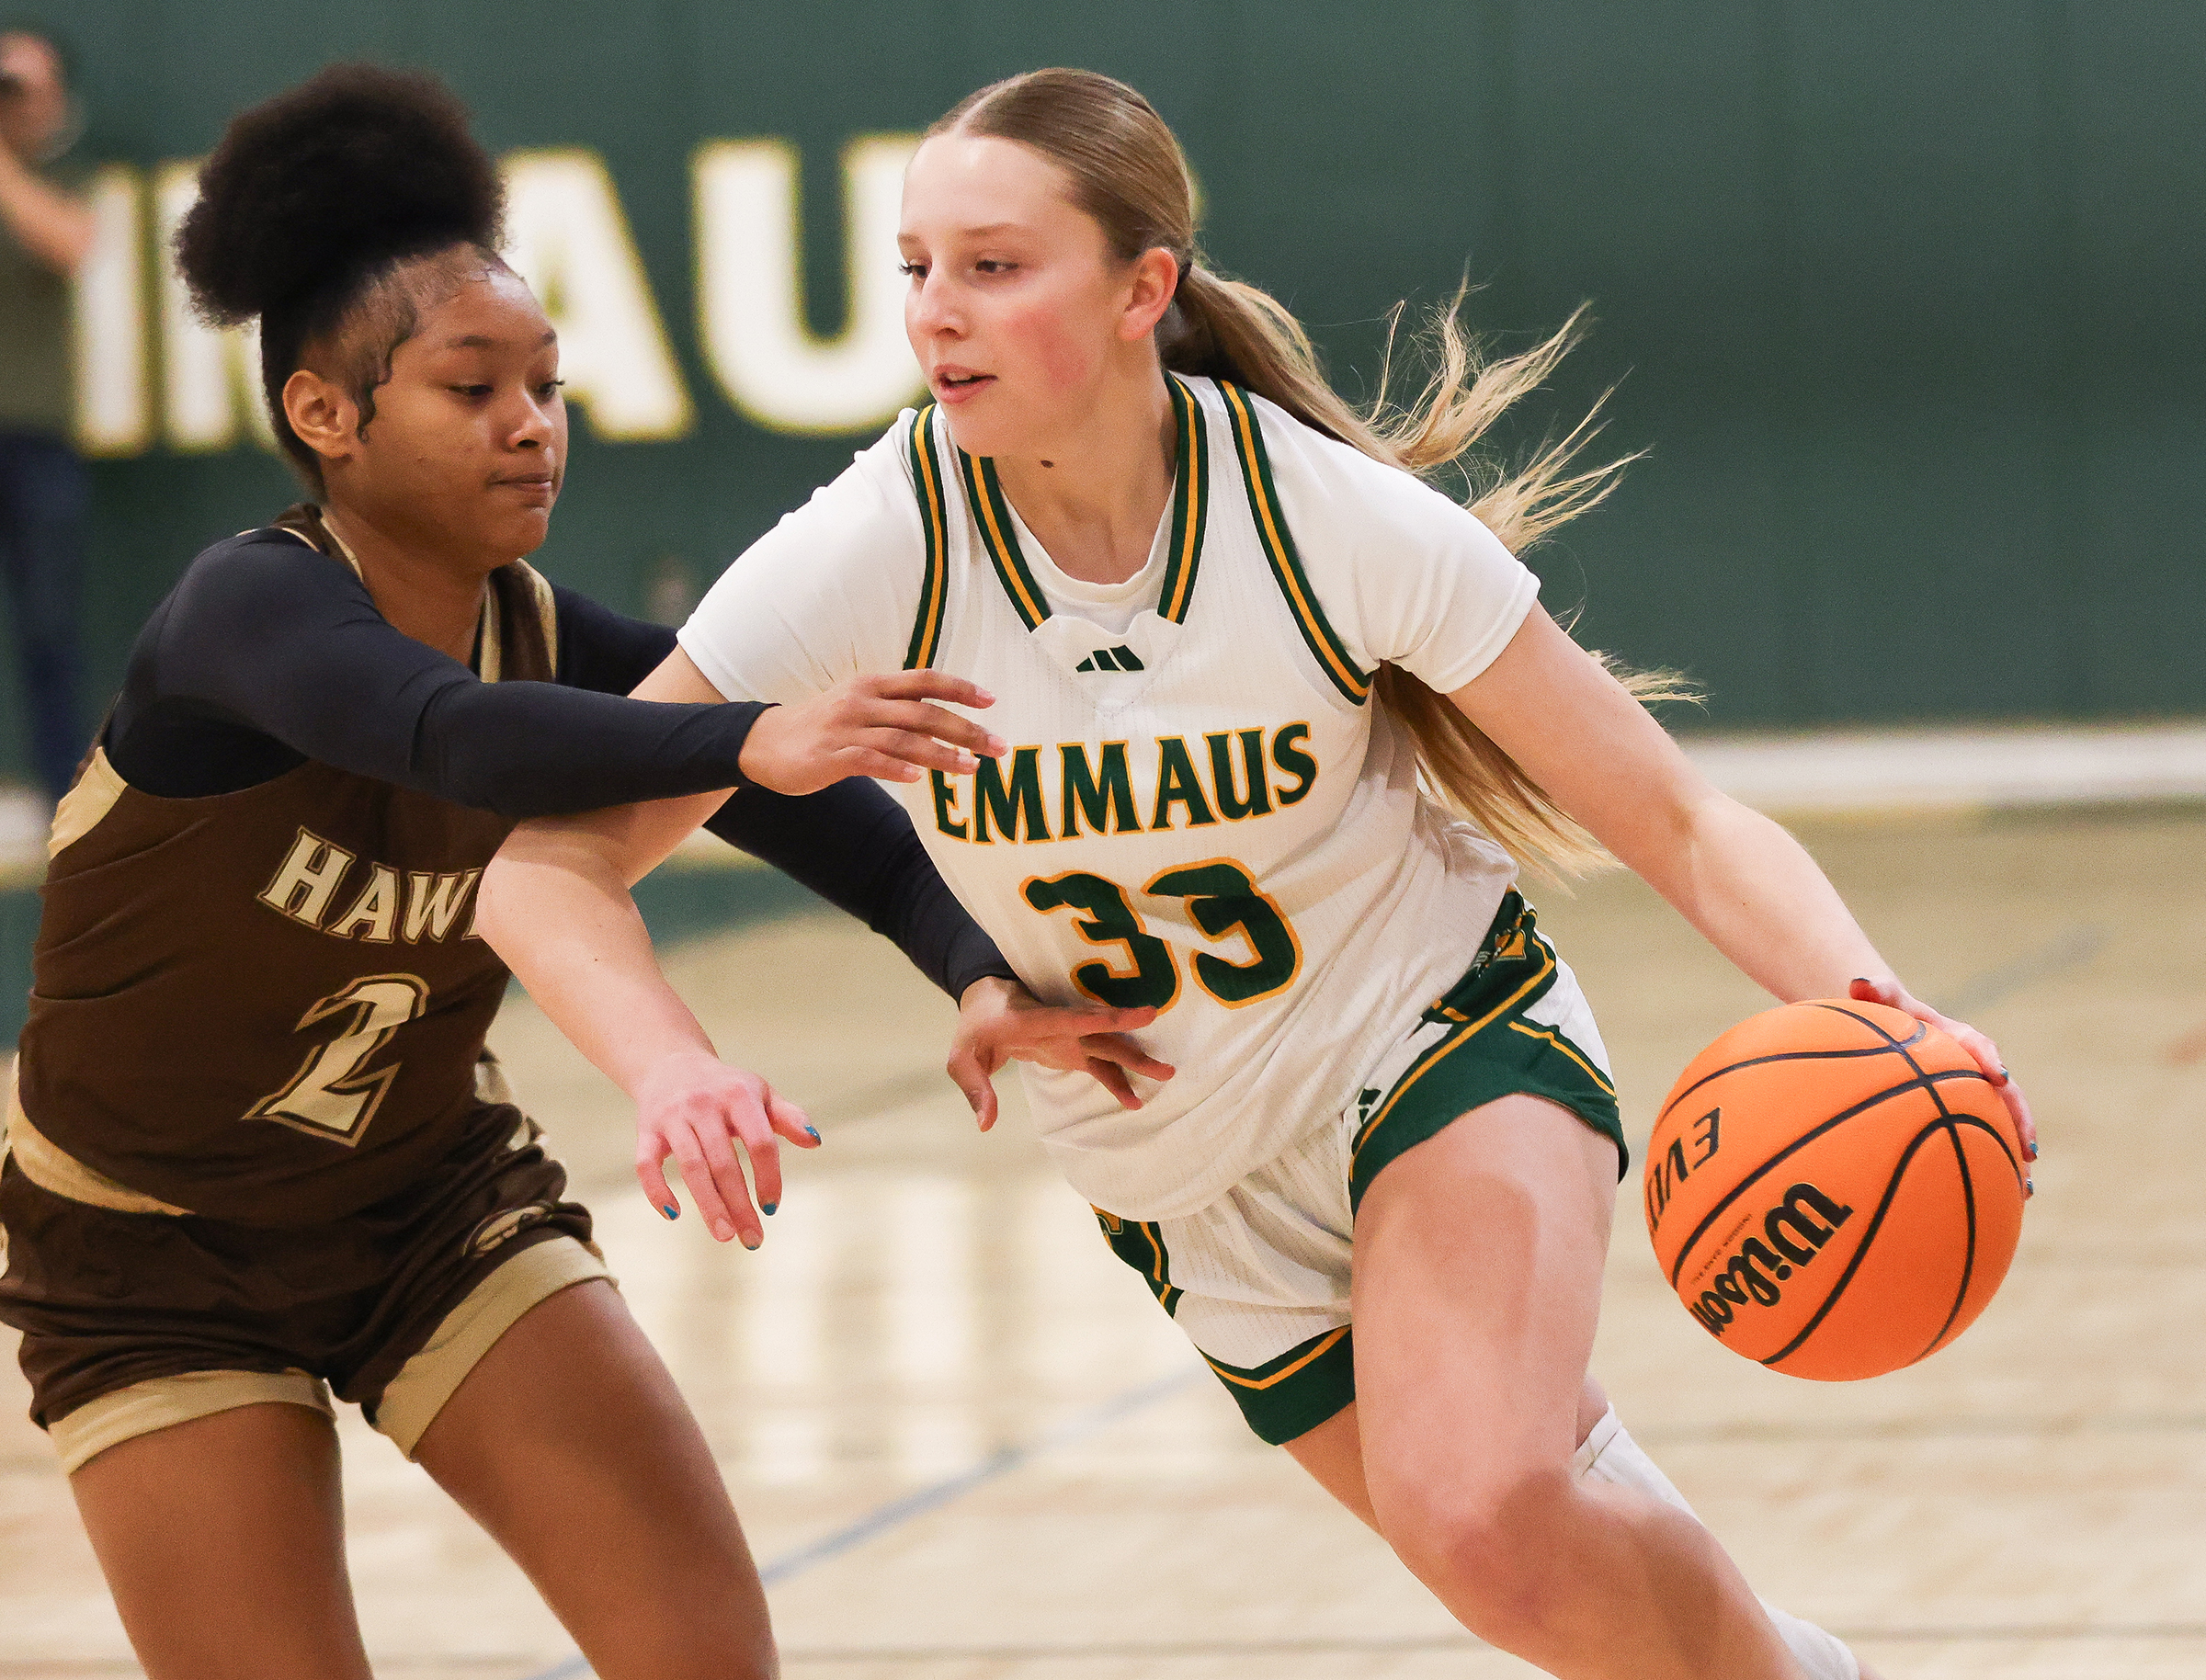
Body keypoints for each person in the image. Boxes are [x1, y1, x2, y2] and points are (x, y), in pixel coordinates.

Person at [478, 69, 2041, 1680]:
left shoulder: (1317, 517)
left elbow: (1682, 821)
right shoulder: (881, 543)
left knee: (1485, 1504)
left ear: (1144, 286)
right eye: (916, 268)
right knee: (1533, 1567)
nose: (936, 313)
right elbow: (547, 864)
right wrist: (672, 1065)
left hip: (1425, 1041)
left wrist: (1885, 1014)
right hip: (1178, 1175)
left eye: (994, 265)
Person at [0, 64, 1142, 1680]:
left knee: (704, 1648)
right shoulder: (240, 614)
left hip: (421, 1199)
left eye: (547, 382)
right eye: (474, 389)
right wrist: (747, 730)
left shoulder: (546, 632)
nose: (533, 422)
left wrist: (978, 967)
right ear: (327, 415)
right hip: (143, 1249)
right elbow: (447, 736)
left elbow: (843, 832)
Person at [0, 25, 95, 804]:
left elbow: (70, 245)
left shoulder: (69, 169)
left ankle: (61, 789)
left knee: (48, 625)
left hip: (35, 431)